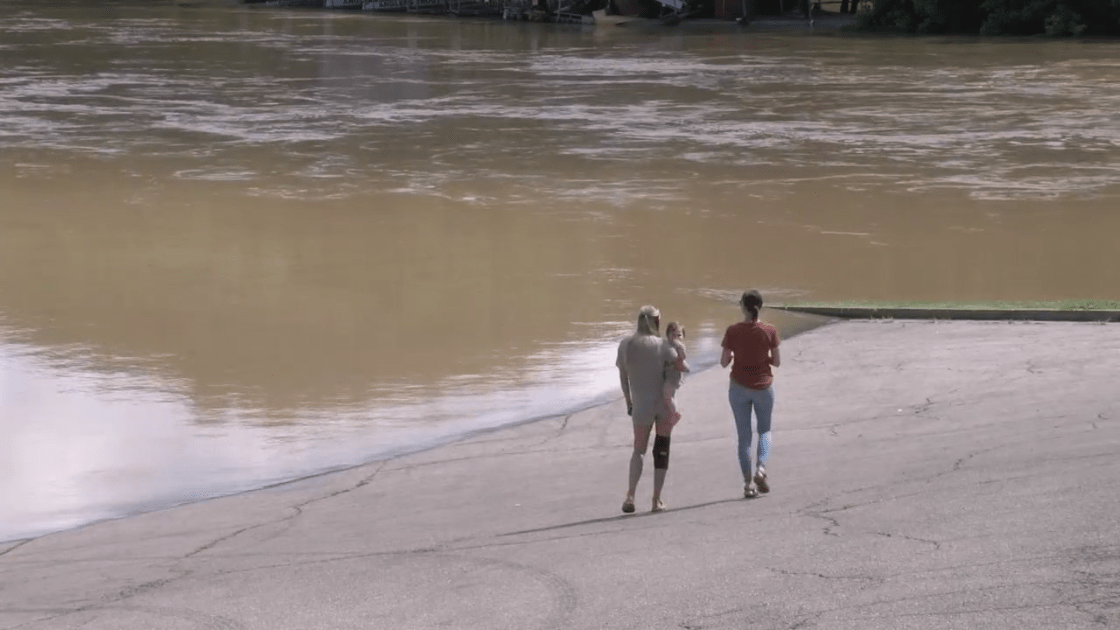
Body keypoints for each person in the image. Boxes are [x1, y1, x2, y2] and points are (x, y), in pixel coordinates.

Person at [616, 305, 678, 513]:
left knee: (638, 450)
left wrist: (628, 402)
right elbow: (673, 379)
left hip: (640, 406)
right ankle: (656, 500)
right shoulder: (664, 346)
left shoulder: (626, 345)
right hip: (663, 406)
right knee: (662, 450)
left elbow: (623, 378)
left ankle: (630, 495)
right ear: (657, 322)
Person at [720, 290, 781, 499]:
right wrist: (763, 358)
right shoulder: (769, 331)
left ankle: (748, 485)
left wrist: (739, 354)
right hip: (763, 388)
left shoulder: (732, 331)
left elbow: (724, 362)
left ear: (743, 307)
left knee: (744, 437)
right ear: (760, 307)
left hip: (738, 387)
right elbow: (777, 361)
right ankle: (761, 470)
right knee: (765, 431)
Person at [663, 321, 691, 428]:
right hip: (668, 374)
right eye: (672, 334)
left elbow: (683, 357)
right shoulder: (665, 344)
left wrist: (679, 354)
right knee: (670, 395)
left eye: (678, 335)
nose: (675, 337)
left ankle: (675, 415)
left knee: (667, 396)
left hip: (674, 375)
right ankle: (671, 414)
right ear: (668, 334)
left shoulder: (679, 345)